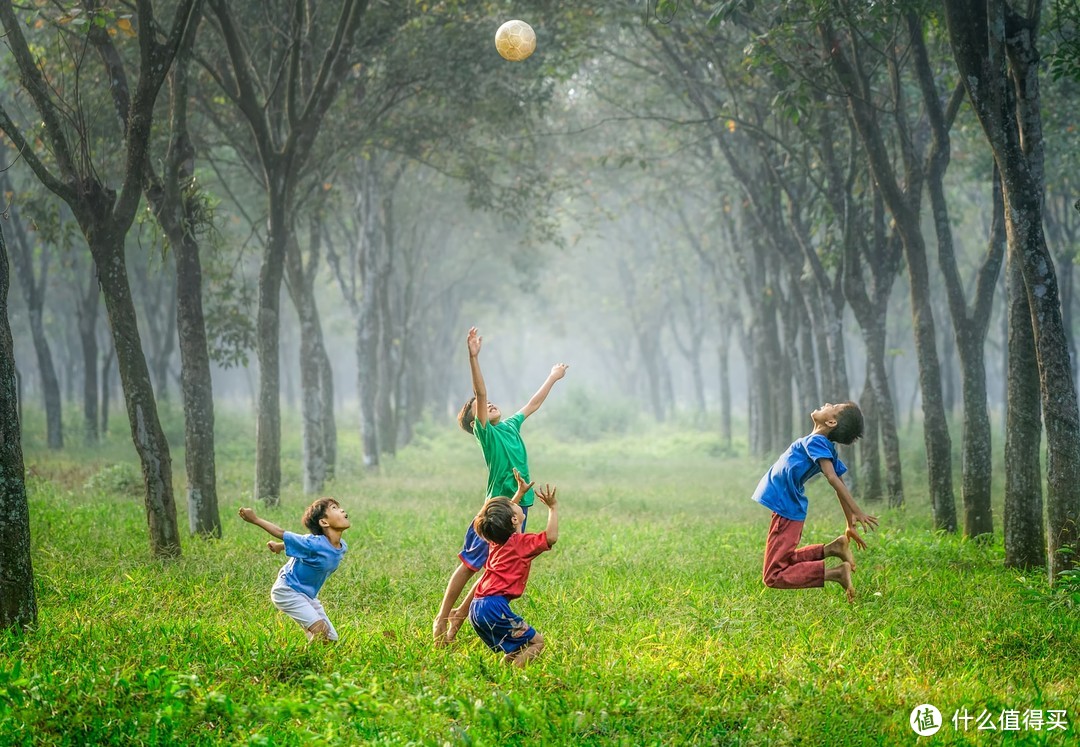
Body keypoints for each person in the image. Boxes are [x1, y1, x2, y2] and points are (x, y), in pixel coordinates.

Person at [432, 326, 568, 645]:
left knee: (493, 571)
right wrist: (473, 357)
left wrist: (552, 377)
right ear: (473, 421)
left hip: (518, 509)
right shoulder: (487, 434)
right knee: (469, 566)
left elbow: (532, 404)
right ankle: (442, 620)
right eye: (479, 407)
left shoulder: (509, 426)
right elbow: (480, 393)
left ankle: (455, 627)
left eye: (490, 403)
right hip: (495, 511)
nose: (488, 404)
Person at [752, 401, 877, 602]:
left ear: (831, 421)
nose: (827, 403)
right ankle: (833, 549)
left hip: (786, 509)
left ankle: (836, 574)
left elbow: (833, 478)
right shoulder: (821, 444)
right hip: (786, 508)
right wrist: (849, 523)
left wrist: (857, 511)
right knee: (784, 561)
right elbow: (839, 481)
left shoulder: (817, 442)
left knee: (773, 575)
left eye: (833, 406)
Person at [469, 480, 559, 667]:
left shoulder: (496, 542)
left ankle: (502, 674)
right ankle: (513, 678)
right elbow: (551, 537)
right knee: (537, 642)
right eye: (513, 505)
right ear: (514, 519)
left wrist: (518, 494)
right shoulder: (521, 544)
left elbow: (503, 518)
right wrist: (552, 508)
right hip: (494, 608)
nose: (515, 503)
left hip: (477, 607)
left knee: (517, 647)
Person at [239, 498, 350, 642]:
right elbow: (281, 532)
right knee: (321, 631)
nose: (341, 510)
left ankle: (313, 651)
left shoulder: (342, 546)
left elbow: (302, 546)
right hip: (287, 590)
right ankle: (299, 660)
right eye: (334, 508)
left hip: (308, 596)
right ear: (324, 522)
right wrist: (255, 519)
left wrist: (279, 546)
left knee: (330, 639)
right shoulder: (313, 543)